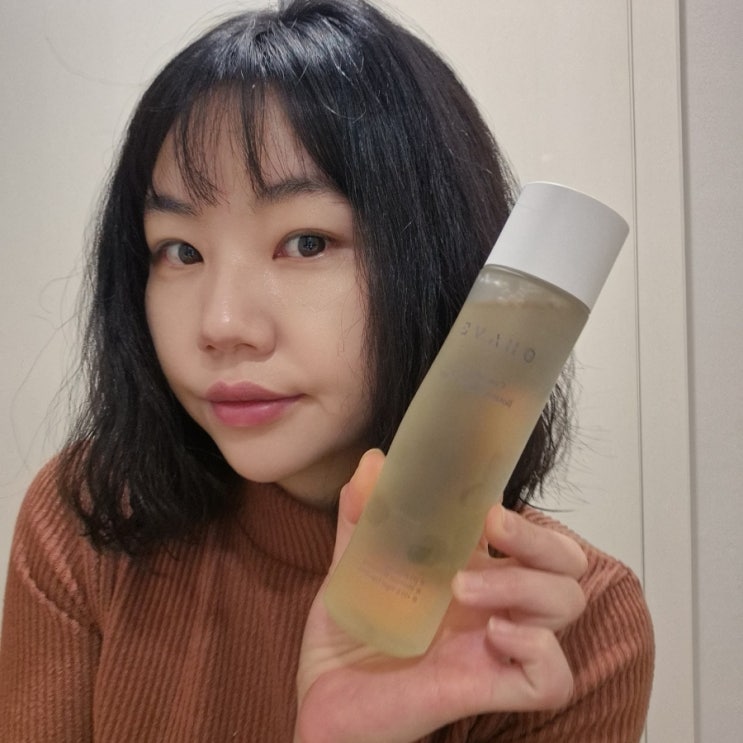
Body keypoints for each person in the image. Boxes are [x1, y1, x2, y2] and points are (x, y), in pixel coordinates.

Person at [0, 1, 654, 740]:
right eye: (180, 250)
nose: (221, 325)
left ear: (429, 255)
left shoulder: (564, 629)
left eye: (305, 242)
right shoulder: (93, 523)